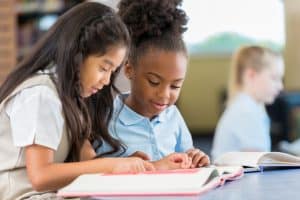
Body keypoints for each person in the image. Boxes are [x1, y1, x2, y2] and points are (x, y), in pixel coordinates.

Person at [0, 2, 191, 200]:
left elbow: (90, 163)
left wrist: (147, 167)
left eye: (112, 71)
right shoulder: (41, 94)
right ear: (78, 54)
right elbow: (40, 176)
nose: (107, 81)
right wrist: (112, 165)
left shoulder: (73, 100)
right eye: (103, 68)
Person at [96, 0, 210, 169]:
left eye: (175, 86)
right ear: (129, 69)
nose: (164, 95)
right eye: (154, 82)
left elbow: (186, 155)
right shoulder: (107, 120)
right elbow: (94, 170)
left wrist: (195, 158)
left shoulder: (173, 116)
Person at [211, 45, 285, 160]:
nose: (280, 86)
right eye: (274, 78)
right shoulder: (246, 111)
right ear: (251, 75)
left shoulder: (248, 105)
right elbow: (260, 162)